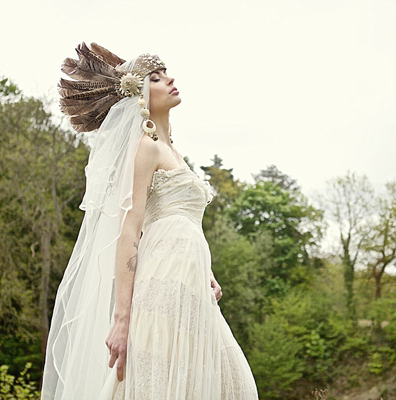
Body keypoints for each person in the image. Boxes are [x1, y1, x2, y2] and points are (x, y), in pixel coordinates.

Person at [41, 43, 259, 400]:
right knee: (163, 382)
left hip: (190, 283)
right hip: (161, 282)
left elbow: (177, 220)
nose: (170, 79)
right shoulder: (147, 147)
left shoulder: (173, 150)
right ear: (141, 95)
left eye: (167, 73)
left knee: (228, 382)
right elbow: (131, 228)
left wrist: (206, 272)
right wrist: (122, 318)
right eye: (156, 78)